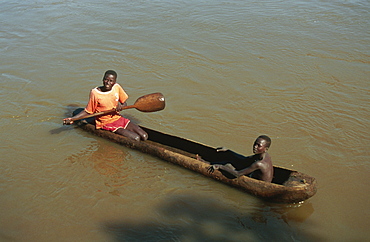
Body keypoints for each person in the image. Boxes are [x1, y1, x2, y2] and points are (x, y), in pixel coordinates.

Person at [63, 70, 148, 141]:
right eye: (106, 80)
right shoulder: (95, 93)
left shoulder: (117, 87)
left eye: (111, 81)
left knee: (144, 136)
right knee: (136, 138)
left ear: (114, 82)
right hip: (105, 122)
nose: (107, 83)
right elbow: (88, 111)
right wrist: (73, 119)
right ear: (103, 79)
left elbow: (124, 102)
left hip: (117, 117)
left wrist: (121, 106)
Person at [208, 135, 273, 182]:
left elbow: (237, 174)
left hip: (259, 183)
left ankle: (207, 164)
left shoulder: (259, 164)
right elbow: (245, 159)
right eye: (255, 144)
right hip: (255, 175)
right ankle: (209, 163)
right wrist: (228, 151)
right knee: (233, 161)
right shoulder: (265, 155)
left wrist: (220, 167)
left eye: (259, 145)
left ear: (265, 149)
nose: (255, 147)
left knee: (228, 165)